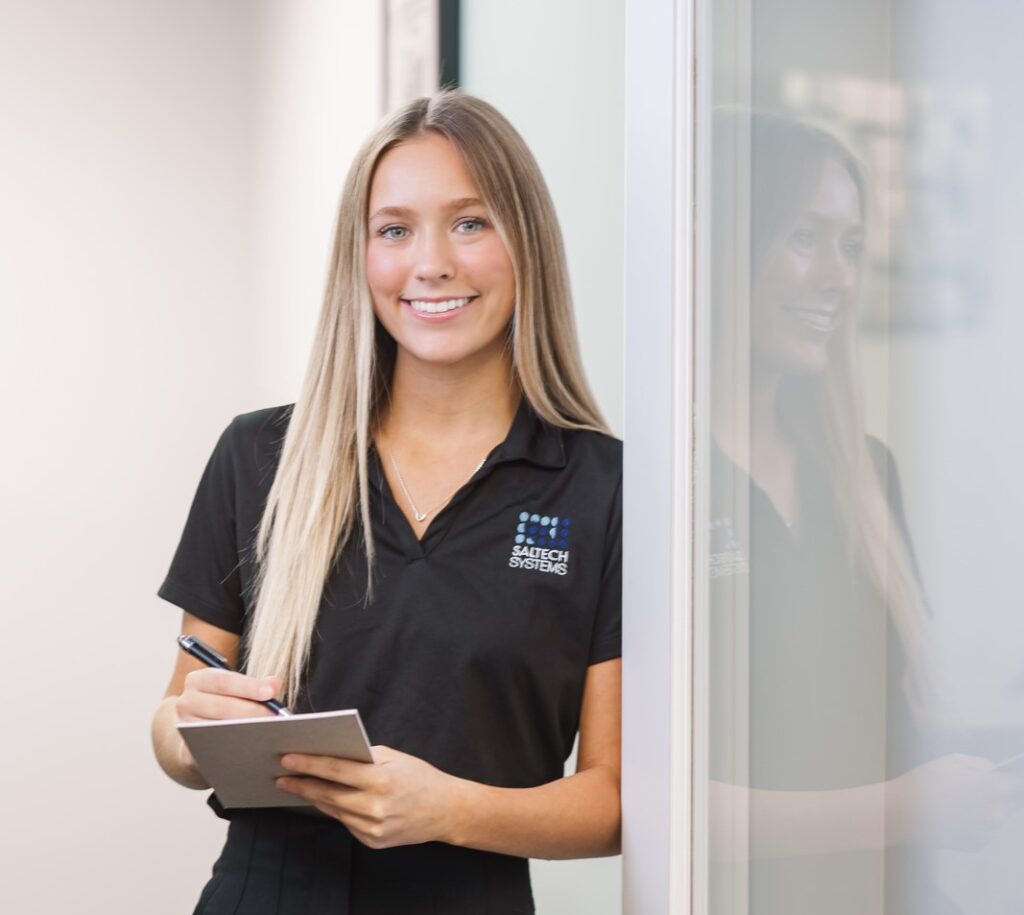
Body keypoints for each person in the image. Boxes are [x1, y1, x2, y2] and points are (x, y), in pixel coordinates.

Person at [151, 91, 622, 915]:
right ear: (361, 257)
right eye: (394, 229)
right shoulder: (260, 456)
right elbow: (172, 730)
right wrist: (191, 724)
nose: (429, 262)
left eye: (470, 223)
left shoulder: (602, 487)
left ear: (528, 243)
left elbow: (615, 798)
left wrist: (453, 808)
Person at [705, 111, 1023, 913]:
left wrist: (989, 749)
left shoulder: (865, 473)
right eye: (805, 238)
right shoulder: (655, 486)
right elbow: (654, 796)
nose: (839, 278)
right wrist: (905, 807)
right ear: (727, 246)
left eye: (851, 247)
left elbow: (878, 728)